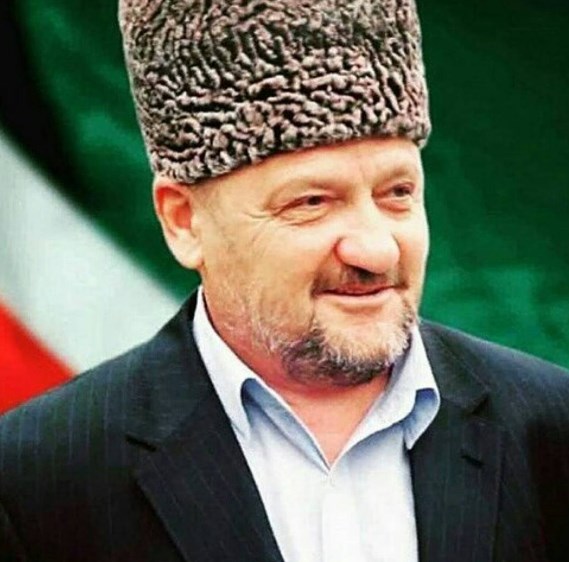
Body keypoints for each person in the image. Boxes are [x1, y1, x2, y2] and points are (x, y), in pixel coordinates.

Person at [1, 0, 569, 561]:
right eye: (312, 202)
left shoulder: (551, 432)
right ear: (184, 221)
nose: (375, 249)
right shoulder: (38, 478)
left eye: (398, 193)